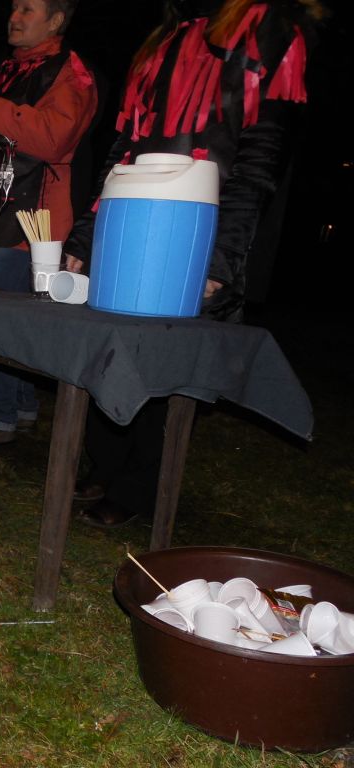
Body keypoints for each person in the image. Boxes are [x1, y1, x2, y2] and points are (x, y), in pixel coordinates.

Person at [64, 0, 321, 529]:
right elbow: (123, 147)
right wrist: (88, 236)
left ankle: (140, 484)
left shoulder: (268, 30)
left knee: (170, 361)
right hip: (132, 219)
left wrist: (222, 258)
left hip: (202, 225)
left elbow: (260, 158)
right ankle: (105, 465)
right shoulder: (164, 38)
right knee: (114, 340)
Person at [0, 0, 98, 449]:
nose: (15, 17)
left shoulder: (71, 71)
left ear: (56, 20)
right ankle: (23, 405)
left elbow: (53, 138)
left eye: (28, 9)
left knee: (3, 317)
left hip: (35, 216)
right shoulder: (7, 67)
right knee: (18, 315)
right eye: (13, 8)